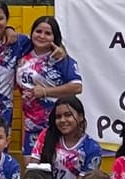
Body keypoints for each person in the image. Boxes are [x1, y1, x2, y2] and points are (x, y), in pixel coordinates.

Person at [14, 14, 81, 156]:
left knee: (54, 164)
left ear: (54, 37)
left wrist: (46, 91)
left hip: (57, 125)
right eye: (38, 31)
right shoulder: (22, 52)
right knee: (31, 166)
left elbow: (77, 87)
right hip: (31, 125)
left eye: (48, 33)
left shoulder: (60, 59)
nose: (42, 36)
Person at [36, 95, 102, 179]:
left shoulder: (92, 147)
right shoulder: (46, 136)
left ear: (80, 117)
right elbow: (33, 168)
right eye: (58, 116)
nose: (62, 120)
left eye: (68, 115)